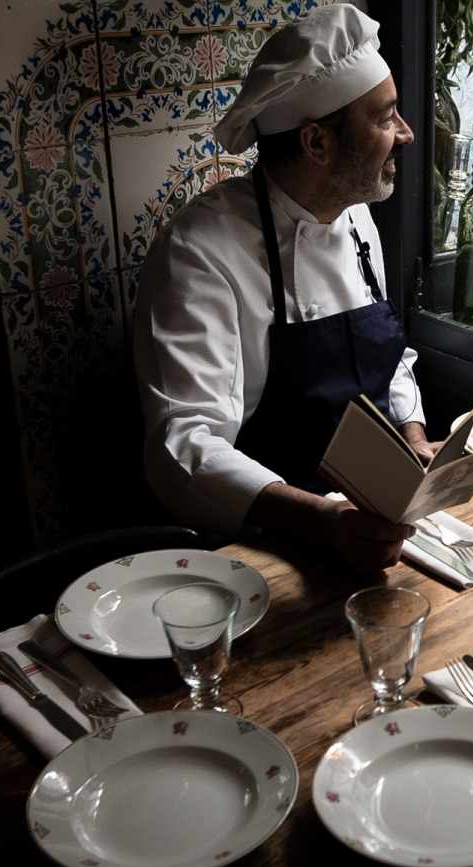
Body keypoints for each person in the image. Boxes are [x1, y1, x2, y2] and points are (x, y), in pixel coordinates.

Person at [133, 4, 431, 570]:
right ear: (317, 143)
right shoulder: (201, 253)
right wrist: (322, 520)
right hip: (260, 547)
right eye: (385, 117)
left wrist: (411, 441)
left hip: (370, 533)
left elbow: (389, 360)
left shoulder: (356, 217)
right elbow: (183, 447)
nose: (406, 134)